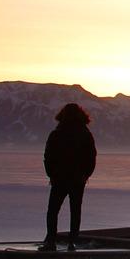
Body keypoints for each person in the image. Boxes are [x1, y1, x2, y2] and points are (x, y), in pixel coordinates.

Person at [42, 102, 96, 251]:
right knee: (75, 210)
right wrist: (85, 175)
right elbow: (91, 157)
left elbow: (48, 156)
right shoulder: (85, 134)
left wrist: (51, 174)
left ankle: (51, 241)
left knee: (53, 210)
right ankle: (72, 242)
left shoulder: (57, 133)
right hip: (77, 179)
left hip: (60, 178)